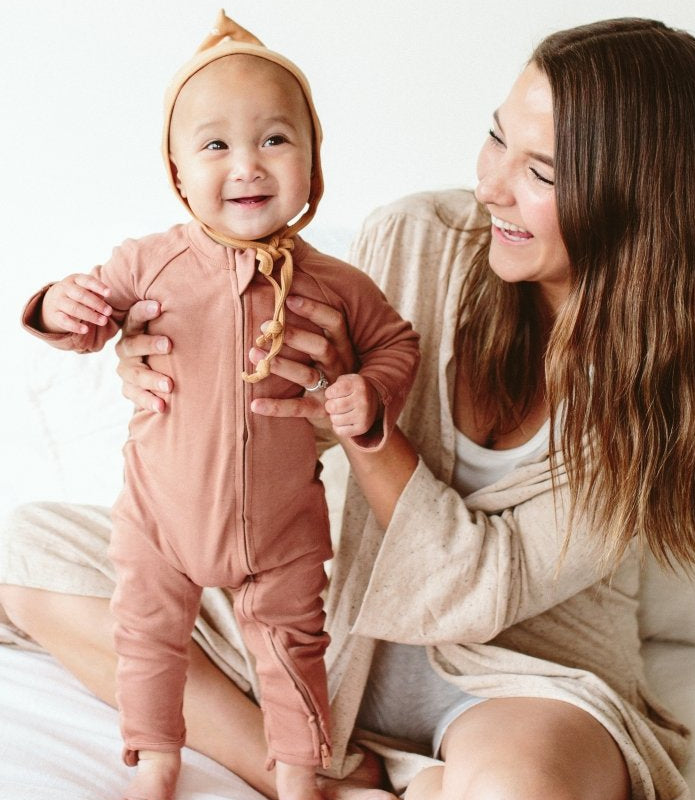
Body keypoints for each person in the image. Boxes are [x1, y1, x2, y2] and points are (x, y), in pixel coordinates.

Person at [1, 16, 695, 800]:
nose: (491, 185)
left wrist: (369, 429)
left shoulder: (673, 392)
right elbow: (288, 436)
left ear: (641, 200)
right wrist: (180, 368)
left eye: (541, 172)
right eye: (496, 138)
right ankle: (319, 778)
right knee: (28, 554)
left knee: (521, 792)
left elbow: (479, 590)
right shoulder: (420, 236)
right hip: (335, 616)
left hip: (516, 667)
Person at [15, 10, 419, 800]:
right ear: (176, 170)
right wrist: (57, 306)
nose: (248, 166)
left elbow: (397, 345)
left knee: (294, 648)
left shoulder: (338, 284)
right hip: (160, 517)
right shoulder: (149, 261)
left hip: (281, 525)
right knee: (146, 636)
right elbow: (84, 315)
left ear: (313, 161)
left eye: (275, 139)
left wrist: (368, 394)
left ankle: (301, 775)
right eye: (216, 146)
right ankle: (155, 757)